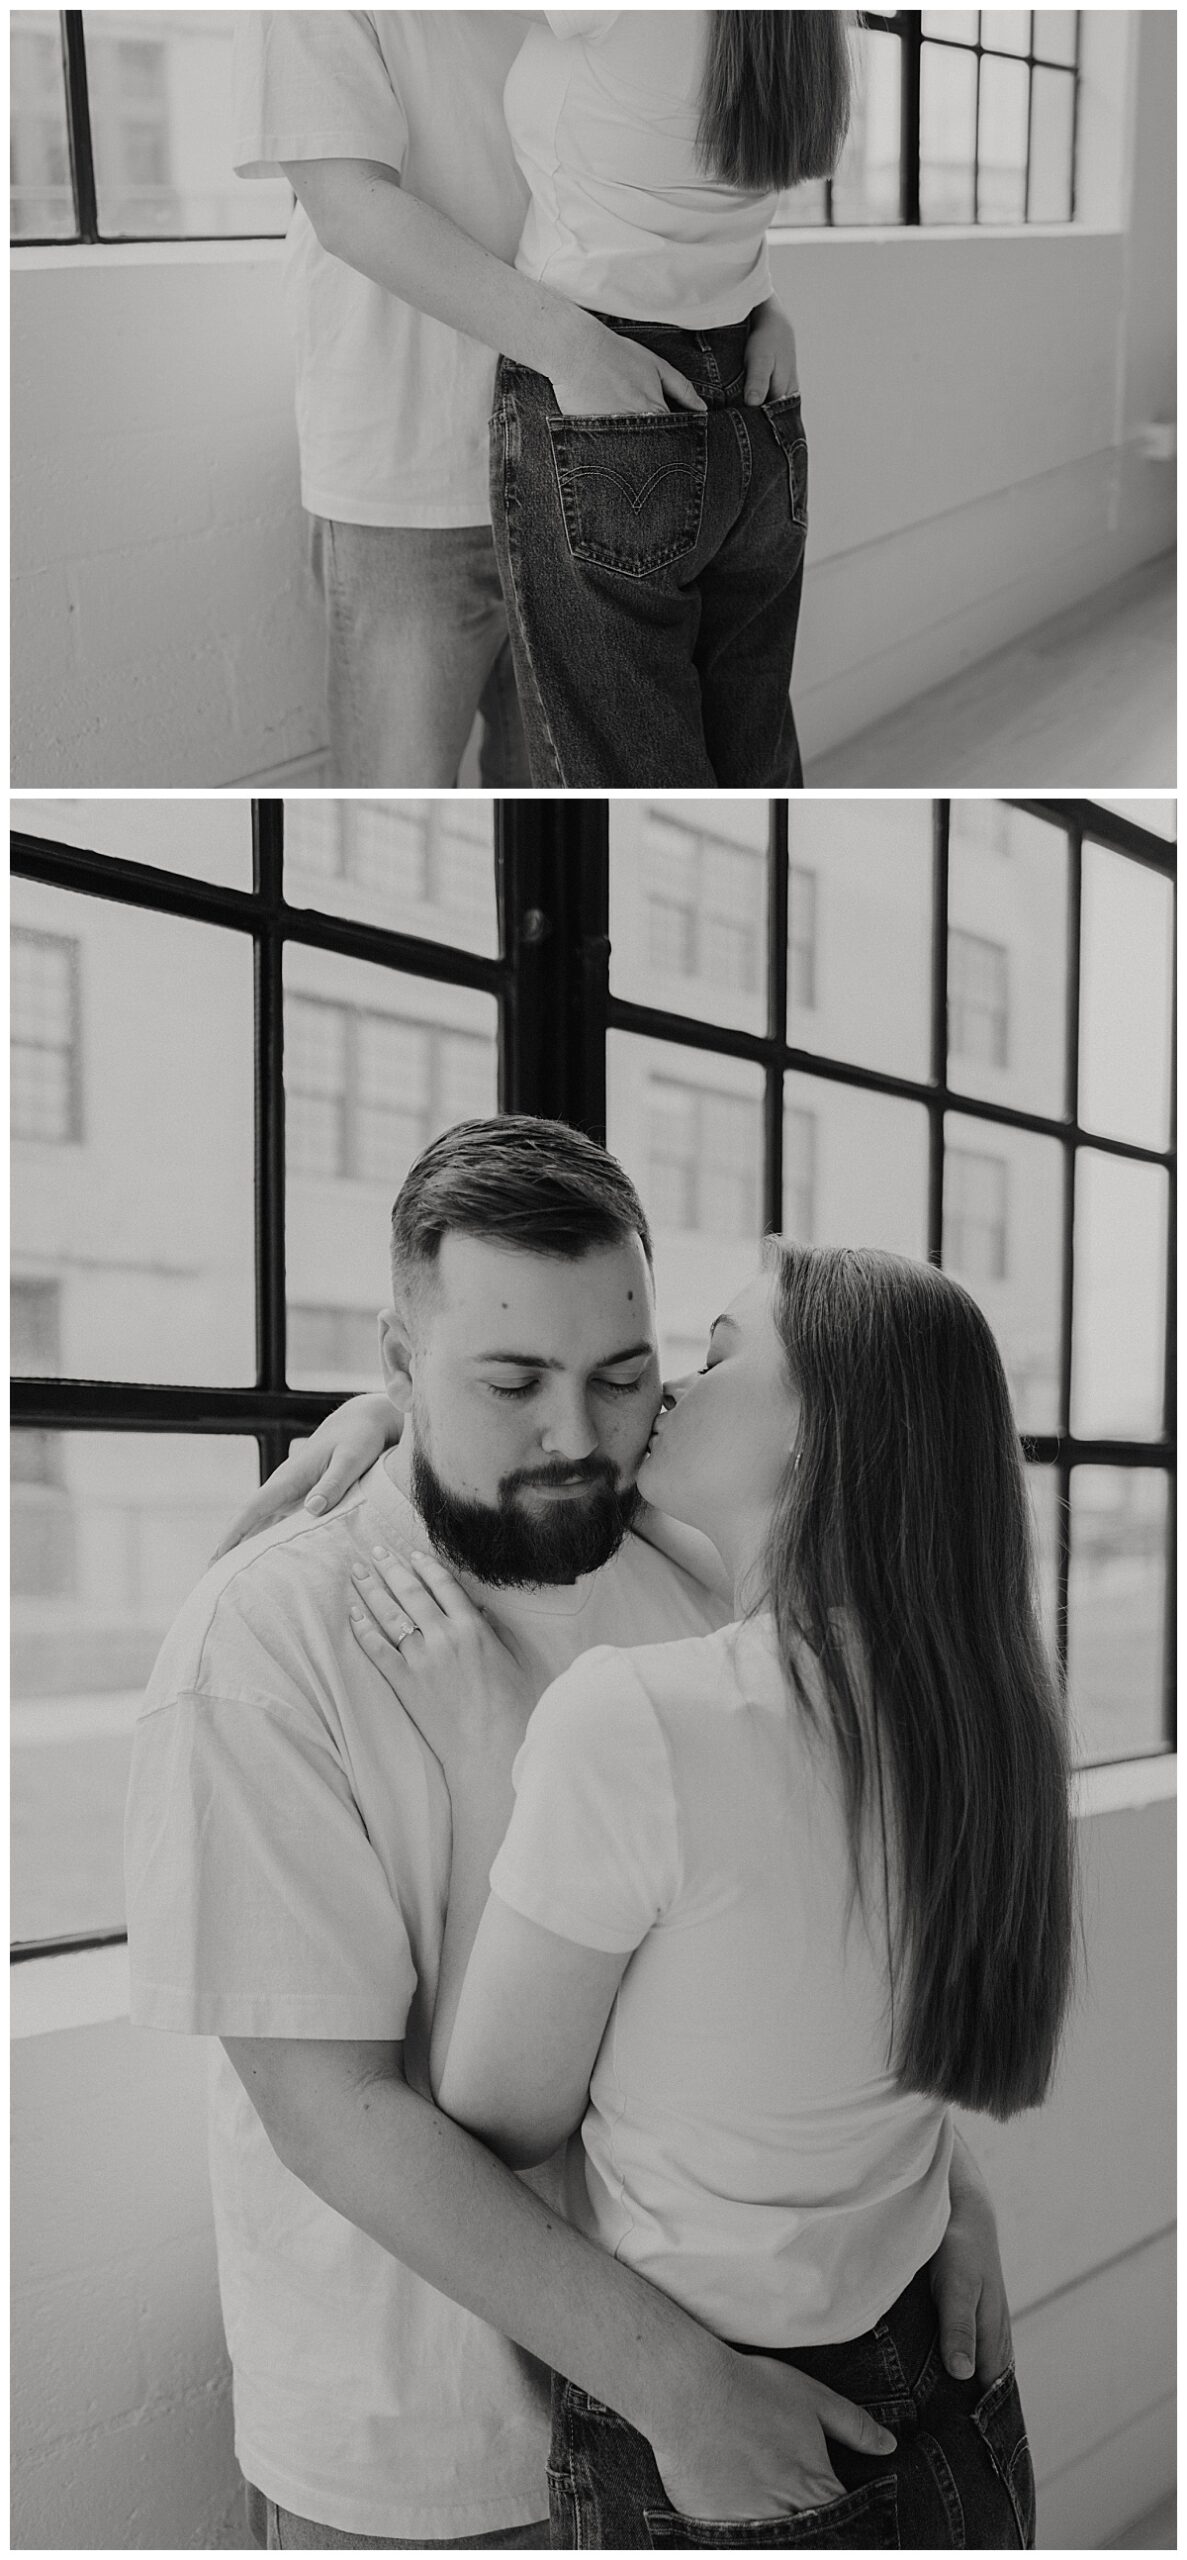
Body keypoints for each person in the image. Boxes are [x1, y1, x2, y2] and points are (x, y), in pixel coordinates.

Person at [128, 1119, 1012, 2551]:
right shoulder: (264, 1636)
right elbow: (331, 2109)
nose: (575, 1436)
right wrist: (677, 2388)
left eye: (623, 1376)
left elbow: (812, 1919)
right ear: (399, 1364)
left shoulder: (693, 1562)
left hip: (731, 2417)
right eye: (508, 1381)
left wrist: (946, 2196)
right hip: (440, 2459)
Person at [339, 1238, 1075, 2547]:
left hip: (733, 2422)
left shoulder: (636, 1720)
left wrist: (479, 1758)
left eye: (724, 1354)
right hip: (948, 2390)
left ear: (824, 1432)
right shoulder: (983, 1724)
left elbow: (498, 2118)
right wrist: (398, 1414)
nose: (667, 1387)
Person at [234, 12, 805, 792]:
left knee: (568, 811)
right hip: (417, 457)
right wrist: (574, 350)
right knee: (402, 790)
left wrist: (749, 304)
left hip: (587, 440)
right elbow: (347, 203)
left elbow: (662, 140)